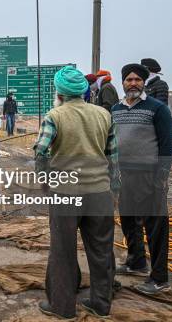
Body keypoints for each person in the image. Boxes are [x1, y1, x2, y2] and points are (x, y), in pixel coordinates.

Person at [33, 66, 119, 319]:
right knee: (102, 250)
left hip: (65, 193)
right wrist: (115, 189)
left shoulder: (54, 116)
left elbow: (41, 152)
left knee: (62, 251)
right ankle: (101, 304)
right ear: (83, 91)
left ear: (59, 92)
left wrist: (45, 181)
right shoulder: (104, 115)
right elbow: (113, 155)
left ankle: (62, 307)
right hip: (99, 193)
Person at [112, 63, 172, 295]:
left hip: (150, 176)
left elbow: (166, 144)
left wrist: (163, 175)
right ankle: (136, 261)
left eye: (138, 79)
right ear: (123, 83)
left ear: (144, 83)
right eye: (129, 80)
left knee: (155, 226)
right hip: (125, 175)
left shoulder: (157, 109)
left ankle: (159, 278)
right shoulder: (116, 109)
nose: (133, 83)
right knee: (128, 220)